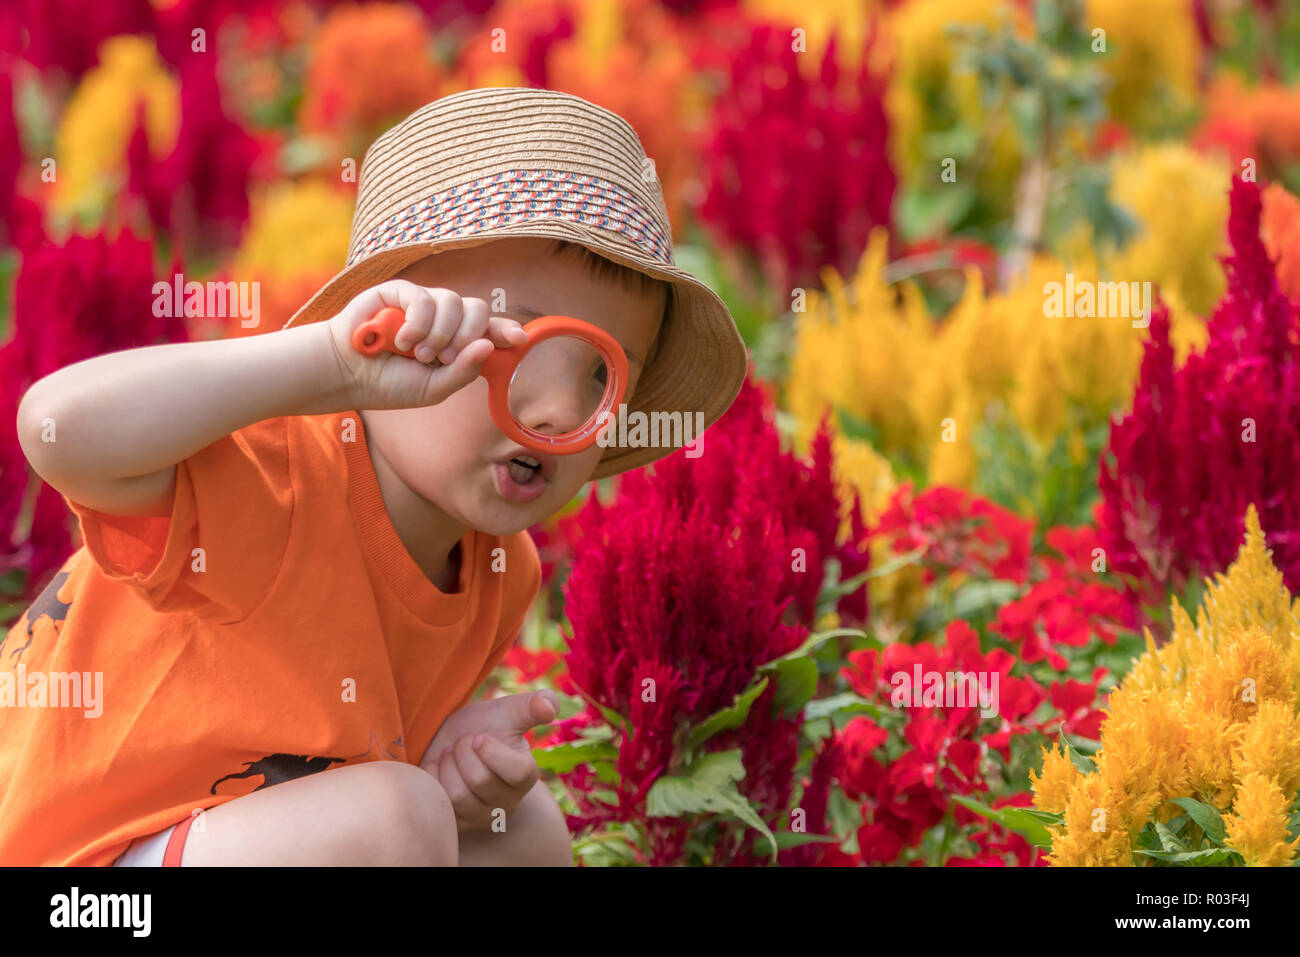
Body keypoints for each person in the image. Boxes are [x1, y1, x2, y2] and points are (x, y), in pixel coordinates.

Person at [0, 87, 747, 866]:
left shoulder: (498, 569)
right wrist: (324, 362)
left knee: (519, 832)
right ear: (390, 326)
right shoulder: (274, 474)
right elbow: (54, 426)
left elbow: (327, 754)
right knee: (395, 814)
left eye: (600, 375)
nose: (561, 410)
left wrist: (447, 765)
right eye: (515, 336)